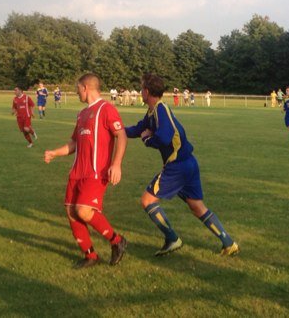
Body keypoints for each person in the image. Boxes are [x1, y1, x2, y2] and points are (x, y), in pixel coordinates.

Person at [126, 73, 239, 257]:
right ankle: (229, 243)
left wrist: (147, 139)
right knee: (197, 206)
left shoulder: (161, 110)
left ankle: (172, 239)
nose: (140, 92)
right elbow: (138, 129)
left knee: (147, 200)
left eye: (141, 88)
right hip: (189, 163)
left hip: (177, 166)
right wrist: (116, 131)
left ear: (146, 91)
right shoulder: (153, 111)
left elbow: (163, 137)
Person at [44, 73, 128, 269]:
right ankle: (90, 255)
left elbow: (121, 136)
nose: (76, 92)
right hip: (77, 172)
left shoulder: (106, 109)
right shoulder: (81, 114)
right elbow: (74, 143)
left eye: (77, 89)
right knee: (72, 211)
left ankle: (117, 241)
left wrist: (116, 164)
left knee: (83, 210)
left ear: (85, 87)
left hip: (96, 172)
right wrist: (55, 153)